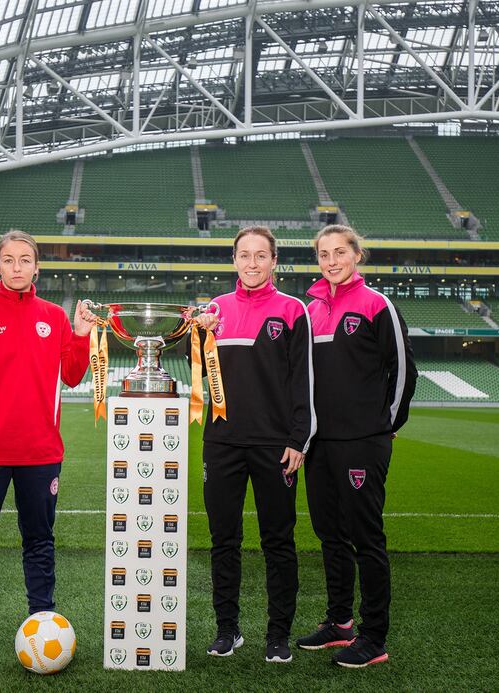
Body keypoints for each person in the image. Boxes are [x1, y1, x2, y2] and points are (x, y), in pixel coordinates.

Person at [0, 229, 96, 661]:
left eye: (24, 260)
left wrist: (81, 334)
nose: (16, 267)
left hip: (40, 453)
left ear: (36, 267)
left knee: (40, 541)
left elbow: (72, 375)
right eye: (8, 260)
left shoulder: (55, 316)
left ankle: (42, 620)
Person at [191, 225, 316, 664]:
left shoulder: (292, 310)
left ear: (274, 261)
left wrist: (298, 439)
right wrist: (197, 332)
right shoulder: (214, 310)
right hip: (221, 443)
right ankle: (227, 630)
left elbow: (304, 383)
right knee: (223, 540)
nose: (251, 263)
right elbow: (202, 378)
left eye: (260, 255)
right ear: (234, 261)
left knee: (278, 542)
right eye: (244, 255)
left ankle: (278, 634)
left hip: (275, 447)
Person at [295, 224, 417, 668]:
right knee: (330, 535)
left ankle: (373, 637)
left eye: (340, 251)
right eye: (324, 254)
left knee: (366, 538)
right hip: (319, 445)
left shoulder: (376, 305)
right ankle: (339, 622)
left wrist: (386, 424)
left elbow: (404, 372)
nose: (331, 260)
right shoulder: (309, 311)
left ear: (357, 255)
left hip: (363, 442)